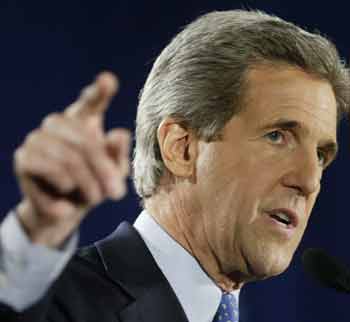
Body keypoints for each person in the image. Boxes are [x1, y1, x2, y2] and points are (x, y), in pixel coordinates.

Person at [0, 9, 349, 322]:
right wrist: (37, 234)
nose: (309, 180)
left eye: (321, 155)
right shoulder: (60, 302)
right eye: (277, 136)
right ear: (181, 149)